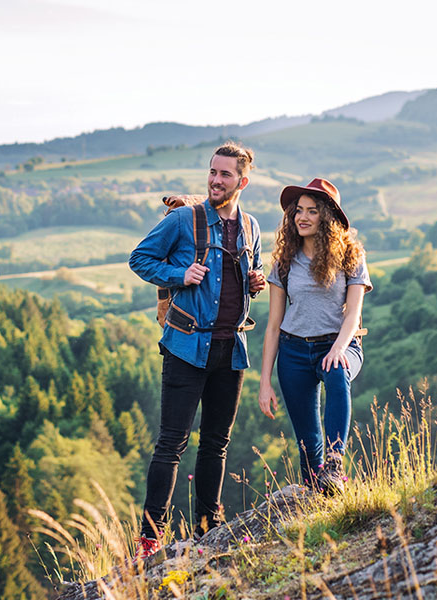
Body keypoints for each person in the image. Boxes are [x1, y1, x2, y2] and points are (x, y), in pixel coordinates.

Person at [128, 142, 266, 558]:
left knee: (216, 445)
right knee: (171, 444)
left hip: (231, 350)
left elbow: (248, 272)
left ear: (242, 181)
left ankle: (209, 530)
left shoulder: (252, 227)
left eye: (225, 175)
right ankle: (151, 540)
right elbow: (139, 259)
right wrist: (179, 273)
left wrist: (254, 284)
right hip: (186, 347)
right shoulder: (184, 220)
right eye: (212, 172)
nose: (215, 180)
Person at [258, 178, 371, 494]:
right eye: (298, 211)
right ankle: (317, 495)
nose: (302, 217)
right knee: (308, 446)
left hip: (339, 344)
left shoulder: (351, 256)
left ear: (327, 217)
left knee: (337, 372)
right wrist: (265, 382)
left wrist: (338, 348)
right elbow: (273, 325)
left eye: (311, 211)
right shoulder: (284, 261)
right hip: (293, 351)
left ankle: (335, 465)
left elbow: (352, 314)